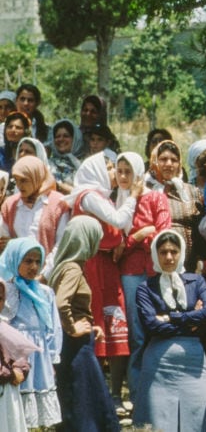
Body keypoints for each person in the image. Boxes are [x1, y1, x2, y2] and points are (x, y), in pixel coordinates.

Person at [65, 152, 140, 415]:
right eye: (109, 167)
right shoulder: (88, 196)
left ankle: (116, 395)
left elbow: (121, 228)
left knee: (116, 325)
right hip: (92, 266)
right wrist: (133, 196)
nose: (113, 172)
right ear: (95, 169)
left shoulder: (103, 196)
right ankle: (97, 396)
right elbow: (119, 221)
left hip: (108, 266)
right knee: (96, 325)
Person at [133, 229, 206, 431]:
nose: (169, 257)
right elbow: (151, 325)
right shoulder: (146, 287)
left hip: (193, 362)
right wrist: (189, 322)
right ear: (155, 254)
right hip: (159, 363)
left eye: (174, 251)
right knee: (159, 420)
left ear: (182, 253)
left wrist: (173, 317)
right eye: (163, 252)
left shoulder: (196, 281)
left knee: (197, 416)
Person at [50, 215, 120, 431]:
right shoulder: (72, 268)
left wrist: (90, 324)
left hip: (77, 343)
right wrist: (73, 327)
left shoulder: (63, 266)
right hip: (77, 347)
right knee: (87, 401)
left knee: (77, 398)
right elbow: (62, 303)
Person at [117, 151, 171, 405]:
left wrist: (142, 237)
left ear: (139, 173)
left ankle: (158, 392)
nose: (124, 177)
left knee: (156, 329)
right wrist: (139, 237)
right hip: (130, 272)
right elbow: (117, 246)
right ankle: (138, 396)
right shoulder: (119, 201)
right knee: (137, 334)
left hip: (155, 272)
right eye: (120, 171)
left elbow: (163, 235)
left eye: (129, 171)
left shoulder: (157, 198)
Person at [0, 237, 61, 429]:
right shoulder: (6, 290)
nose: (34, 266)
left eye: (37, 261)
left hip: (39, 354)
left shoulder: (45, 292)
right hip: (17, 353)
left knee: (39, 399)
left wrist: (52, 356)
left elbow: (53, 327)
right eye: (27, 261)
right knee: (16, 404)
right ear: (14, 259)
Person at [149, 140, 206, 272]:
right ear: (154, 161)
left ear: (179, 164)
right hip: (154, 264)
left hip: (188, 264)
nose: (169, 164)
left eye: (173, 160)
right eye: (163, 159)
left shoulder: (191, 191)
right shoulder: (146, 190)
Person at [1, 156, 65, 255]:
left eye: (24, 180)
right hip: (16, 267)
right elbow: (5, 241)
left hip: (49, 267)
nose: (19, 185)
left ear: (36, 177)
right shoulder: (10, 204)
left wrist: (46, 269)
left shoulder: (59, 203)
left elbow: (61, 244)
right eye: (16, 180)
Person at [0, 280, 32, 431]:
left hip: (7, 394)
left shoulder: (4, 327)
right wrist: (10, 375)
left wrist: (21, 369)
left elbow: (19, 353)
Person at [47, 118, 82, 193]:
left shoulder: (83, 162)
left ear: (75, 139)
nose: (61, 139)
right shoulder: (48, 165)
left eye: (66, 136)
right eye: (57, 136)